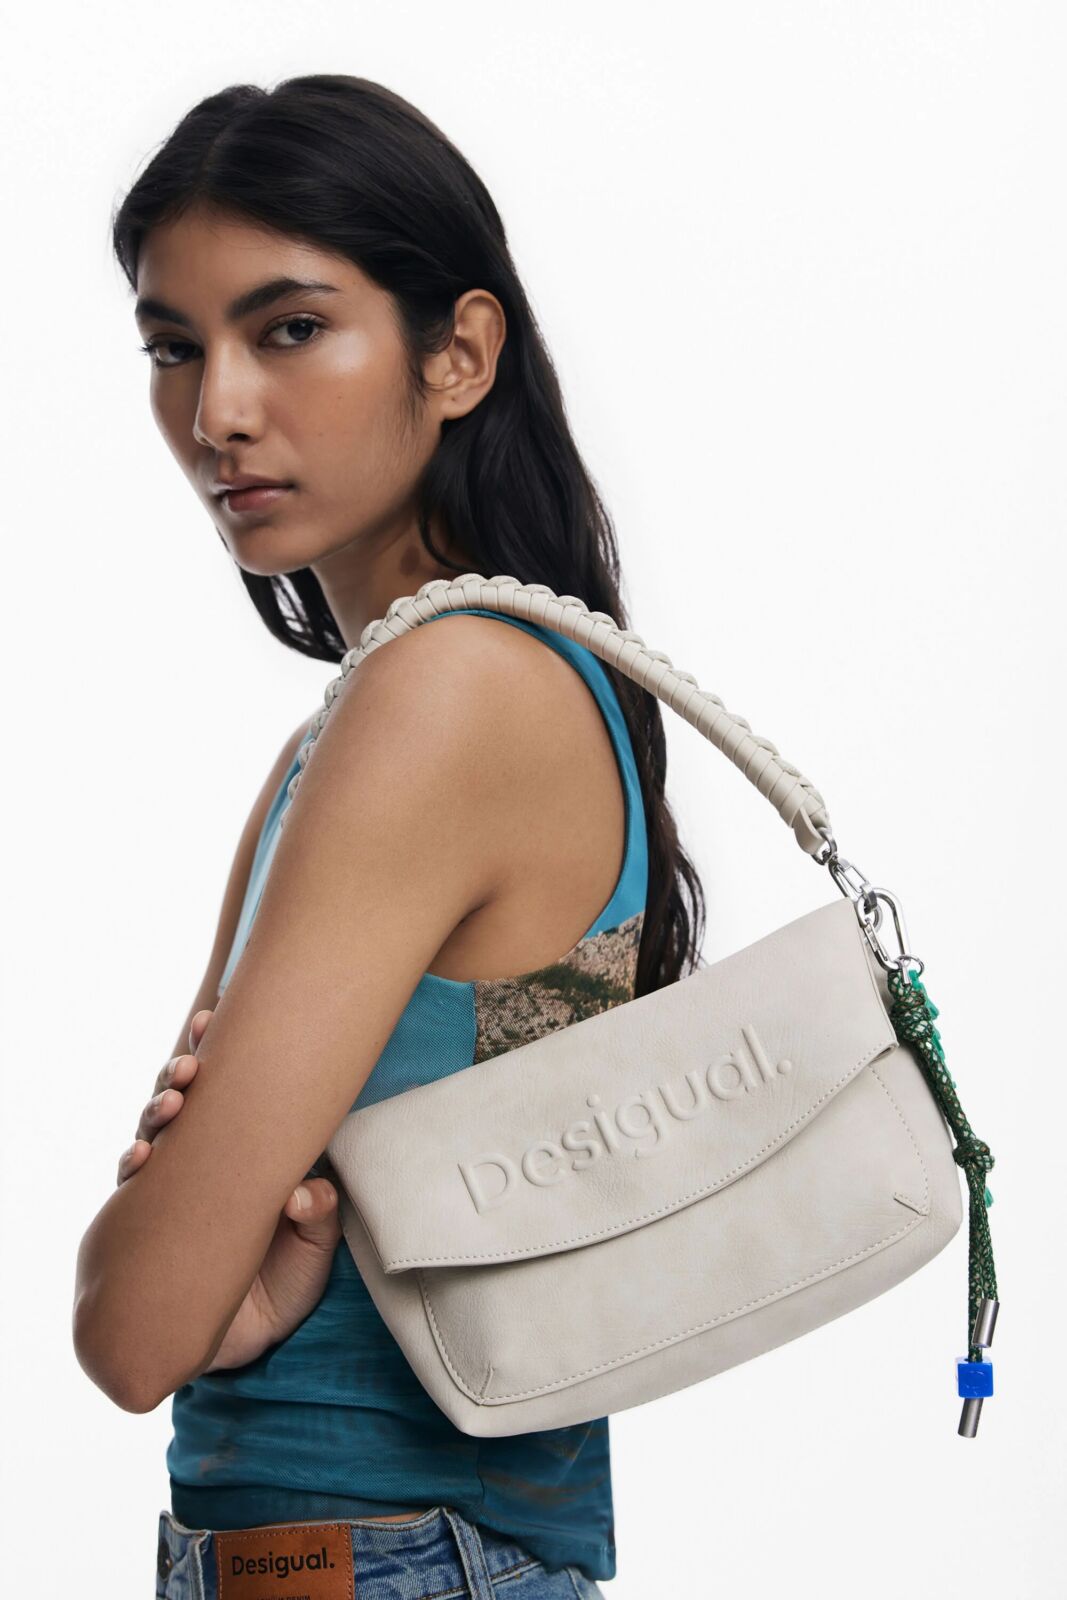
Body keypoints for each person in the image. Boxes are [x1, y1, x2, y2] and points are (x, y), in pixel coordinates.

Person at [73, 73, 706, 1597]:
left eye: (289, 328)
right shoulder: (386, 714)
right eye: (174, 347)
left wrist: (185, 1256)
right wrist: (184, 1272)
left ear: (460, 353)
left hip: (389, 1557)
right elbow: (160, 1305)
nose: (218, 411)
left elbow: (134, 1325)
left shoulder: (447, 695)